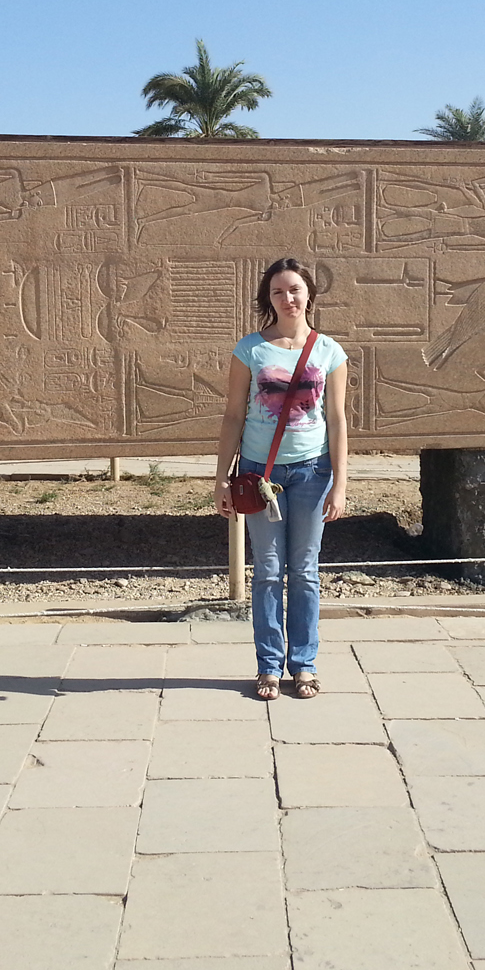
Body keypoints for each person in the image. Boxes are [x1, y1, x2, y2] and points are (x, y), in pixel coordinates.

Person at [215, 257, 348, 700]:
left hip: (312, 471)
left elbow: (337, 419)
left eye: (293, 289)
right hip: (260, 474)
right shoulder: (250, 349)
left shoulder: (329, 351)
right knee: (269, 571)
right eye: (277, 292)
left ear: (309, 293)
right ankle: (269, 667)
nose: (287, 298)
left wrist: (341, 483)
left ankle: (304, 665)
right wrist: (221, 479)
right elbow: (234, 415)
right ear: (267, 299)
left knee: (305, 572)